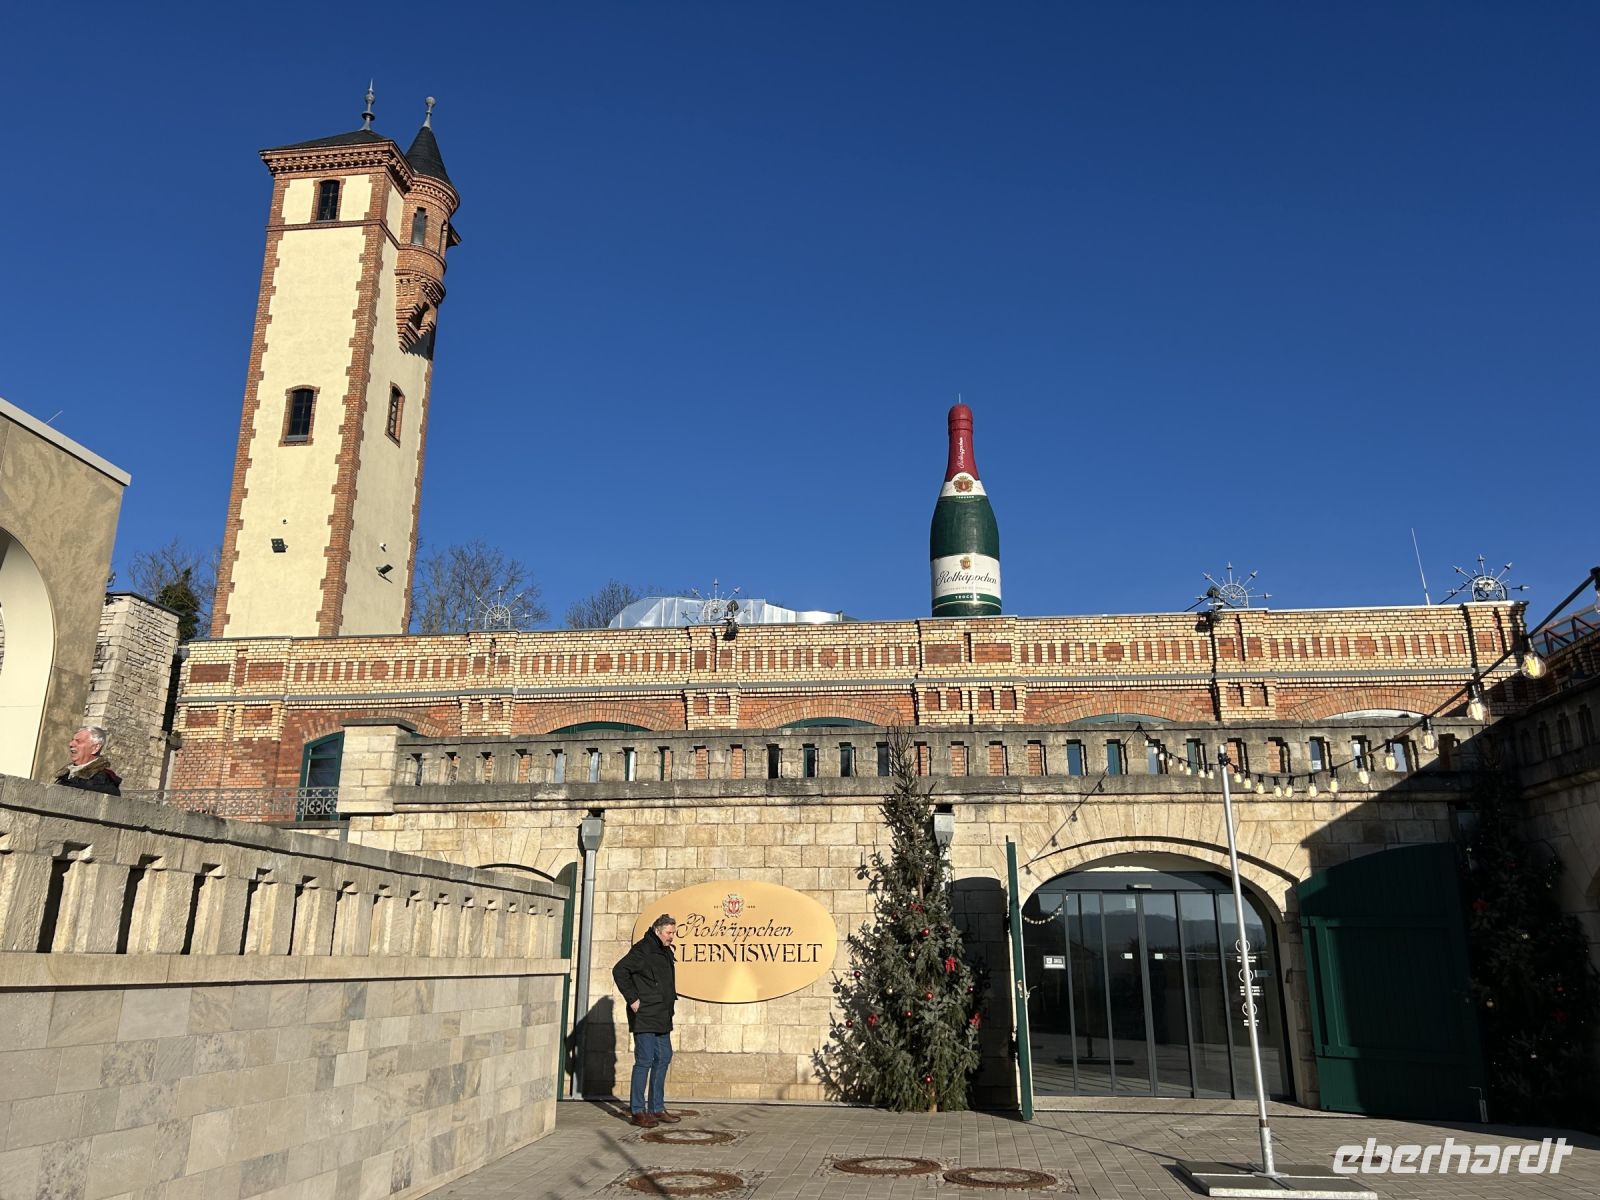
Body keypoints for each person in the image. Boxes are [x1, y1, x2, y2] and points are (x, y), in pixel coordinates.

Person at [612, 913, 680, 1128]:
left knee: (664, 1057)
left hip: (662, 1014)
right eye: (669, 933)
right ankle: (638, 1111)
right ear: (658, 931)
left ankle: (657, 1108)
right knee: (645, 1061)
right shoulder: (643, 949)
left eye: (674, 932)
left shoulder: (664, 949)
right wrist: (632, 999)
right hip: (645, 1014)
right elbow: (619, 970)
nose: (672, 937)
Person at [54, 726, 122, 796]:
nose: (71, 744)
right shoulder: (65, 774)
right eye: (72, 740)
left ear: (95, 748)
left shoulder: (103, 782)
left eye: (78, 741)